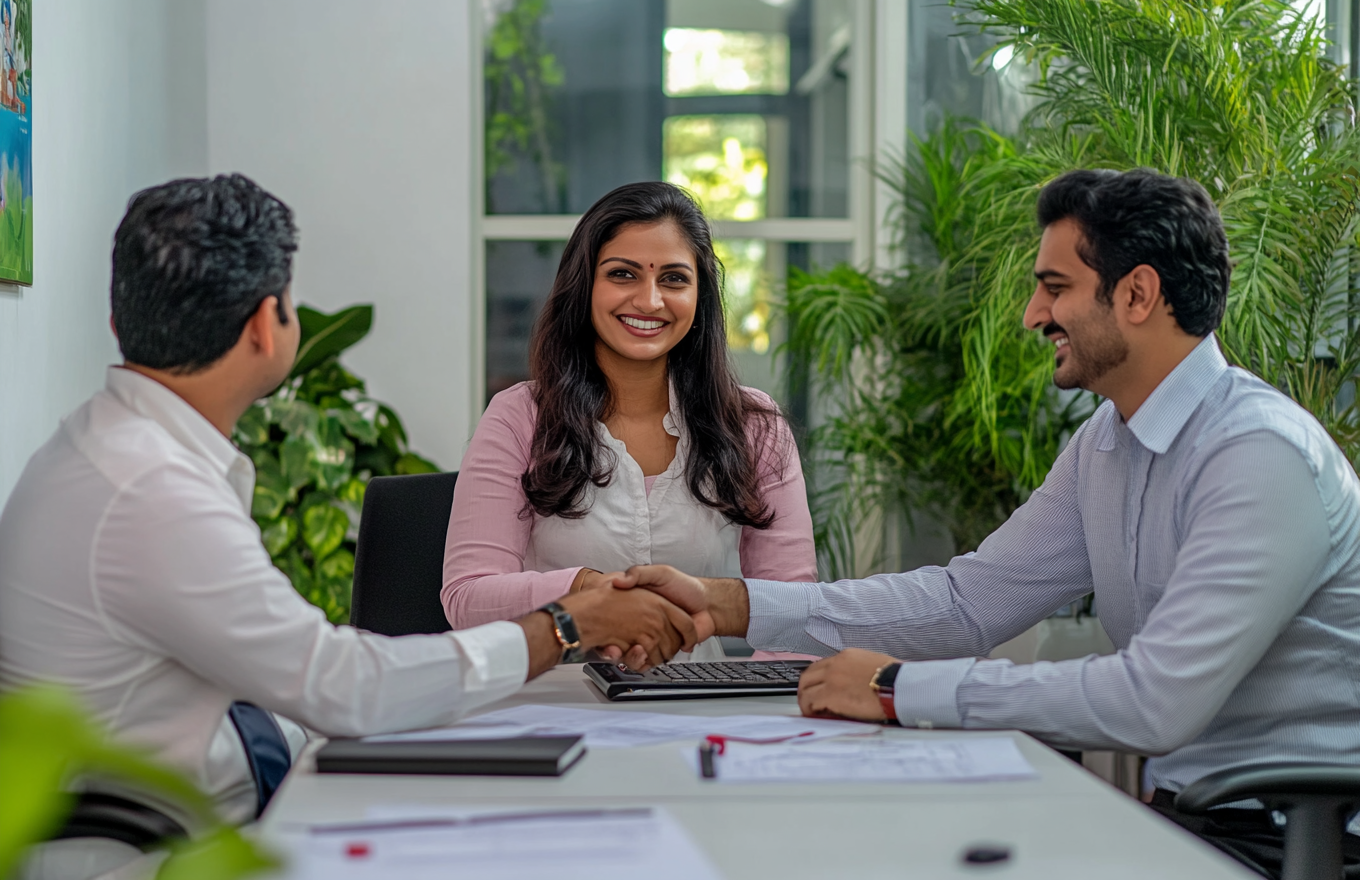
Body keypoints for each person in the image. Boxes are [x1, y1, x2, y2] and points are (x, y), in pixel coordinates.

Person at [616, 168, 1360, 877]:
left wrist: (894, 689)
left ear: (1138, 294)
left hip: (1283, 836)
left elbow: (1152, 700)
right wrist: (733, 603)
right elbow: (968, 603)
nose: (1035, 315)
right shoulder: (1108, 442)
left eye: (1055, 288)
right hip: (1187, 818)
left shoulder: (1259, 454)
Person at [0, 174, 700, 825]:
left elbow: (304, 669)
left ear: (120, 324)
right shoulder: (149, 492)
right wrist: (565, 625)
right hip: (173, 842)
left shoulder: (108, 451)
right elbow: (341, 687)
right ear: (265, 326)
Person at [442, 181, 815, 660]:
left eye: (675, 279)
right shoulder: (520, 417)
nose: (650, 301)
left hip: (702, 708)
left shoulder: (754, 427)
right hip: (552, 707)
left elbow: (793, 615)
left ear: (701, 298)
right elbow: (468, 598)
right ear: (585, 286)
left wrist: (763, 725)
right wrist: (589, 593)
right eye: (623, 274)